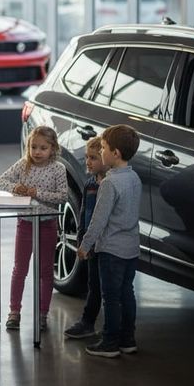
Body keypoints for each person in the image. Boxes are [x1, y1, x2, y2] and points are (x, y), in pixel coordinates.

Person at [77, 124, 142, 358]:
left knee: (111, 298)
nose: (101, 152)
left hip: (111, 251)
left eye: (103, 148)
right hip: (131, 249)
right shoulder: (134, 178)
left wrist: (85, 246)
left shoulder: (109, 183)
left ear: (115, 153)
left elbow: (98, 220)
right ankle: (128, 339)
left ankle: (110, 342)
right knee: (127, 293)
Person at [0, 125, 67, 332]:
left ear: (52, 148)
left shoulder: (58, 169)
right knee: (20, 269)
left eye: (43, 148)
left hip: (47, 224)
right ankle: (14, 311)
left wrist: (37, 193)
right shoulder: (23, 165)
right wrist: (15, 188)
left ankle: (42, 313)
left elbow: (62, 196)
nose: (37, 152)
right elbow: (1, 180)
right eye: (33, 147)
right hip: (25, 224)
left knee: (46, 270)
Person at [64, 136, 107, 339]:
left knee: (109, 289)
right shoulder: (90, 184)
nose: (87, 162)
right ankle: (87, 322)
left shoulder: (110, 186)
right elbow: (83, 214)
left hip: (107, 246)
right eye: (87, 157)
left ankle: (115, 330)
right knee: (94, 286)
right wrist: (82, 240)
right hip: (91, 246)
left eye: (93, 158)